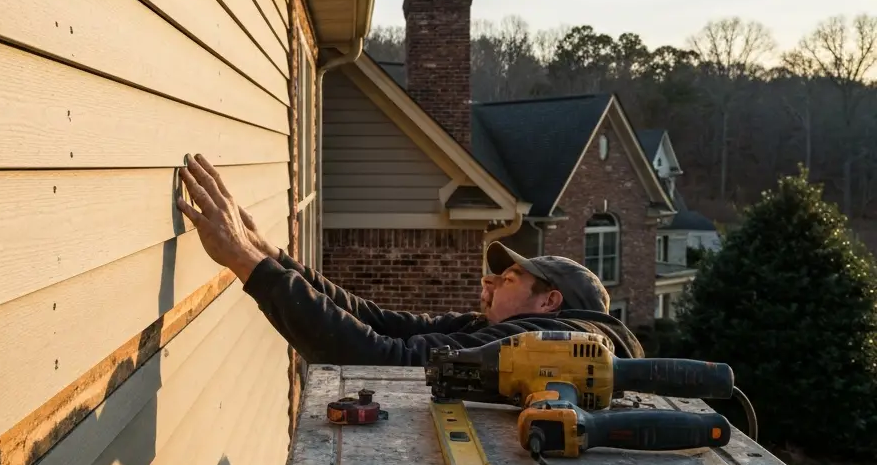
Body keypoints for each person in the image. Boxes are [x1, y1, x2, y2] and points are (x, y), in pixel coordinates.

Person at [175, 153, 643, 365]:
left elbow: (380, 356)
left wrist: (244, 262)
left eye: (509, 278)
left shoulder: (550, 343)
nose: (491, 281)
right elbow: (383, 323)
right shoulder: (493, 333)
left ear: (548, 302)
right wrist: (266, 253)